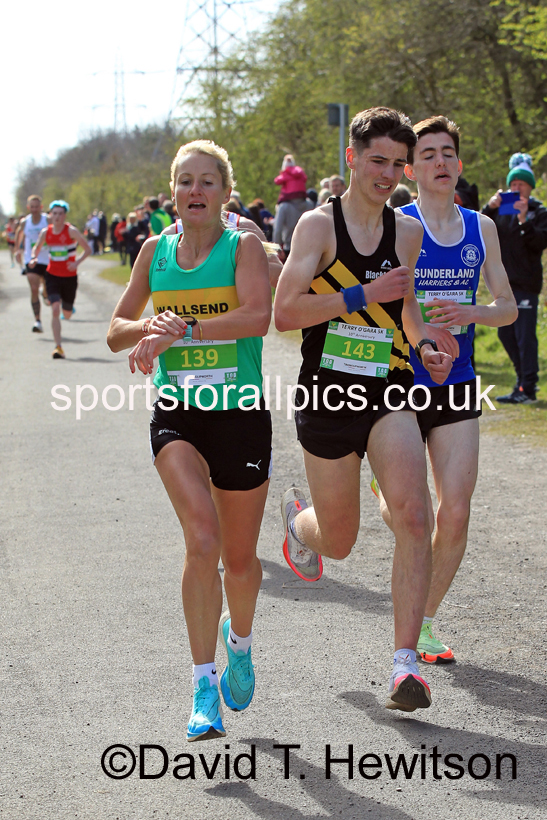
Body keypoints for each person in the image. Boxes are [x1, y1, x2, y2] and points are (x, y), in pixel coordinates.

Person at [274, 107, 453, 713]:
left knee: (413, 513)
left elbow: (407, 311)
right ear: (351, 158)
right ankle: (299, 525)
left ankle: (406, 668)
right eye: (378, 160)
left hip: (389, 386)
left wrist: (425, 342)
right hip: (328, 393)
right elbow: (286, 313)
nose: (390, 174)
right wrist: (357, 293)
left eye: (398, 164)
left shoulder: (407, 232)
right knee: (340, 540)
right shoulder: (317, 229)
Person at [107, 140, 272, 742]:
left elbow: (258, 315)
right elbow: (115, 332)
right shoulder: (154, 251)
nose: (194, 192)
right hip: (179, 413)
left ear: (225, 193)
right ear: (172, 191)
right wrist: (150, 326)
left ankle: (241, 645)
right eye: (184, 182)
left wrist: (185, 330)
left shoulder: (242, 246)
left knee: (240, 559)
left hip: (241, 414)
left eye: (207, 182)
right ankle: (204, 685)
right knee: (201, 540)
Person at [377, 115, 516, 664]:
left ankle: (426, 623)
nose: (439, 162)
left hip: (457, 382)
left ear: (459, 164)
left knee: (454, 510)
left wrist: (468, 311)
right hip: (402, 380)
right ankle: (386, 495)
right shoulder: (396, 223)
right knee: (418, 514)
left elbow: (507, 307)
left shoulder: (481, 227)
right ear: (410, 169)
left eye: (447, 153)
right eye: (428, 154)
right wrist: (419, 335)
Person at [482, 153, 547, 403]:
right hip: (502, 284)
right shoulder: (502, 210)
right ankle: (521, 383)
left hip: (526, 284)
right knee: (505, 334)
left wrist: (523, 220)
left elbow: (540, 242)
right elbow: (480, 228)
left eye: (521, 184)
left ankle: (528, 388)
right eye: (513, 184)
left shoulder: (538, 211)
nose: (516, 188)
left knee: (524, 337)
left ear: (530, 186)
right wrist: (490, 207)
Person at [29, 200, 91, 359]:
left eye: (60, 214)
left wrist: (76, 262)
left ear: (64, 215)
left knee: (67, 313)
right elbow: (36, 248)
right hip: (53, 276)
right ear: (50, 215)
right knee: (55, 309)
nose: (57, 217)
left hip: (70, 278)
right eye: (54, 213)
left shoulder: (71, 231)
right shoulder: (46, 232)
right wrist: (34, 258)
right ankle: (58, 347)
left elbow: (88, 249)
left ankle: (66, 305)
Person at [14, 195, 50, 332]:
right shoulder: (25, 222)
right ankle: (37, 320)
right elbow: (19, 234)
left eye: (37, 207)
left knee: (46, 289)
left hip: (47, 259)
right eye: (32, 207)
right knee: (33, 288)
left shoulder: (47, 220)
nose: (34, 209)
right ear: (28, 207)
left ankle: (45, 293)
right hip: (32, 259)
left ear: (41, 207)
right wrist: (18, 251)